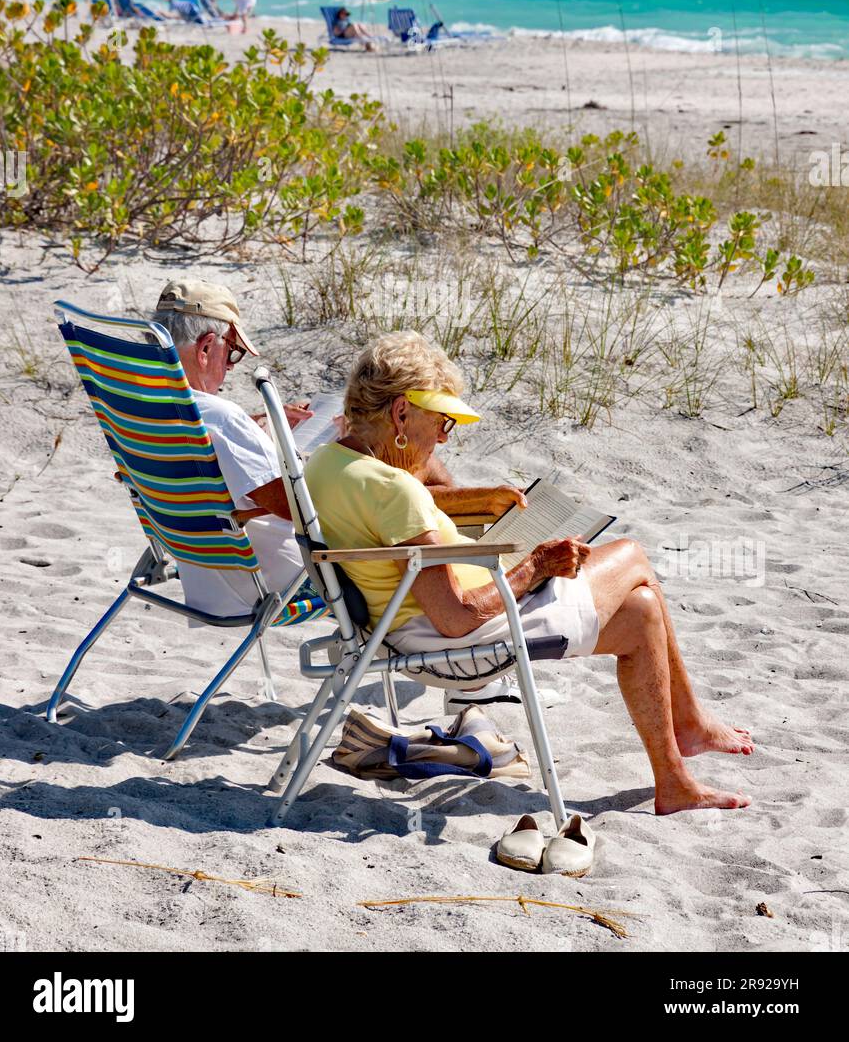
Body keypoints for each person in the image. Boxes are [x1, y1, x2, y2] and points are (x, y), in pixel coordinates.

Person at [304, 331, 754, 816]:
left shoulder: (327, 464)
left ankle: (674, 776)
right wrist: (534, 568)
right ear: (400, 414)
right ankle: (688, 725)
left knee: (641, 610)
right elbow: (456, 617)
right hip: (455, 640)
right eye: (442, 422)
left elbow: (394, 513)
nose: (442, 437)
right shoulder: (396, 490)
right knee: (632, 555)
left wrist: (471, 502)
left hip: (396, 626)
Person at [150, 279, 311, 617]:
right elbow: (295, 509)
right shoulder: (222, 420)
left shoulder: (141, 409)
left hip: (201, 573)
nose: (231, 366)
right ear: (206, 348)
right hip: (275, 584)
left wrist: (251, 431)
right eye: (232, 353)